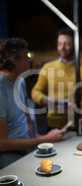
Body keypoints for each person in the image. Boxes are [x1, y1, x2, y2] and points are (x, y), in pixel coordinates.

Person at [0, 38, 65, 169]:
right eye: (26, 57)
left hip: (28, 145)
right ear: (13, 61)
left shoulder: (21, 81)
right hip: (9, 153)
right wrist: (44, 139)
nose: (29, 61)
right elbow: (2, 143)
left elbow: (26, 117)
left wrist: (39, 137)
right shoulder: (1, 87)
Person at [31, 28, 82, 129]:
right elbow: (35, 92)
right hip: (53, 125)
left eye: (67, 44)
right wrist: (47, 100)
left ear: (75, 46)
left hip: (78, 124)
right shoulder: (48, 67)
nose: (62, 47)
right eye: (59, 43)